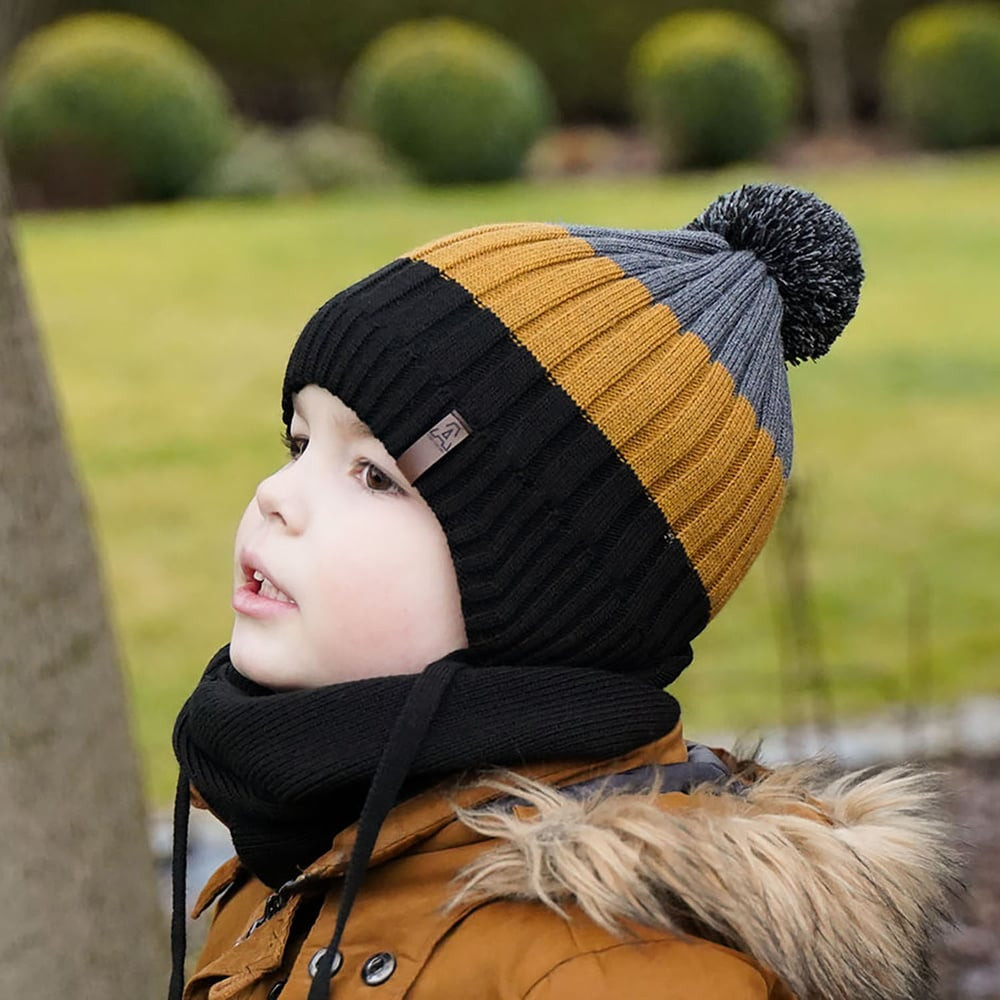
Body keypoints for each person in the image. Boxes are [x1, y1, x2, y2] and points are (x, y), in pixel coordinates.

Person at [170, 184, 959, 1000]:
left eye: (375, 474)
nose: (276, 493)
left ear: (546, 594)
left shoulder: (621, 968)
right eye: (298, 441)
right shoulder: (300, 841)